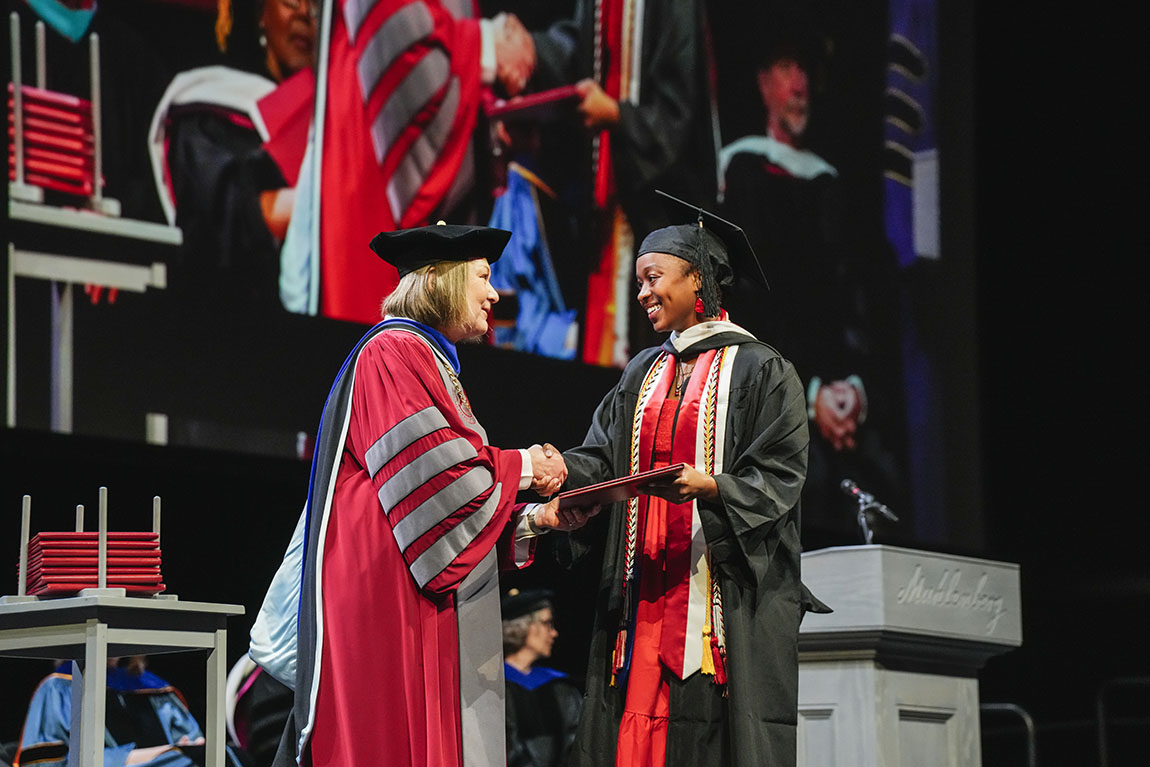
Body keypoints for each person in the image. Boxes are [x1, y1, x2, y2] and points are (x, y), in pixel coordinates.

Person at [251, 222, 597, 767]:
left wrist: (536, 521)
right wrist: (528, 465)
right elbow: (439, 482)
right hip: (383, 591)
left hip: (406, 584)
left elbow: (452, 500)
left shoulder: (427, 358)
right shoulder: (392, 351)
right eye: (482, 277)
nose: (494, 294)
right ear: (438, 280)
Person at [557, 195, 829, 765]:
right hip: (644, 589)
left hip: (716, 595)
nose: (642, 293)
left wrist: (712, 488)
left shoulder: (762, 369)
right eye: (639, 281)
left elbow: (780, 473)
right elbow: (603, 456)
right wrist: (555, 469)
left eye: (653, 278)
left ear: (697, 278)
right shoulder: (643, 370)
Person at [718, 21, 907, 545]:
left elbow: (860, 302)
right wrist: (810, 394)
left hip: (844, 404)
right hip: (778, 401)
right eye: (785, 68)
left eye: (804, 70)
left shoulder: (832, 184)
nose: (799, 84)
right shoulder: (744, 173)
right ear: (763, 84)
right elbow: (753, 302)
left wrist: (856, 391)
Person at [516, 0, 721, 366]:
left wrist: (615, 115)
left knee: (657, 371)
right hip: (602, 221)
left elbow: (680, 116)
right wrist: (528, 49)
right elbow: (581, 50)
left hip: (655, 223)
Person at [147, 0, 318, 310]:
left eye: (318, 6)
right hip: (224, 314)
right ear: (262, 14)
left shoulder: (341, 128)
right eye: (292, 1)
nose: (305, 14)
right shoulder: (210, 108)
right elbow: (214, 222)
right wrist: (309, 204)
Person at [14, 656, 241, 767]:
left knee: (230, 756)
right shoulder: (59, 688)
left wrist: (191, 745)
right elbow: (47, 763)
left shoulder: (155, 687)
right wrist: (143, 757)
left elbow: (191, 742)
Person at [501, 588, 582, 767]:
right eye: (547, 624)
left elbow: (577, 745)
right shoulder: (496, 690)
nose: (554, 633)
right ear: (522, 627)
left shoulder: (560, 687)